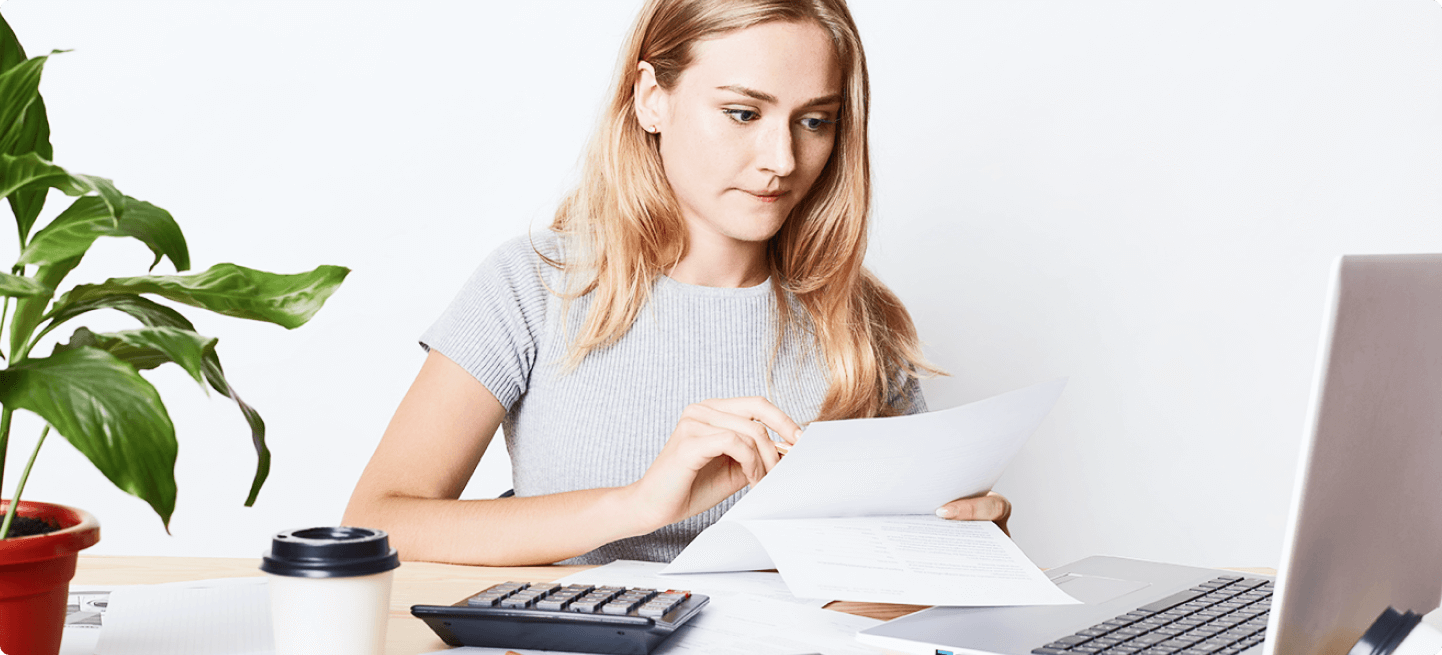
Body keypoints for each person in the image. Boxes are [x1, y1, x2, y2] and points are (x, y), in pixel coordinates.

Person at [342, 0, 1011, 567]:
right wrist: (636, 504)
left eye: (814, 121)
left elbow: (883, 594)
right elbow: (378, 521)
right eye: (743, 114)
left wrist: (967, 551)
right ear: (651, 98)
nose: (781, 160)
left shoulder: (857, 323)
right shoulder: (535, 286)